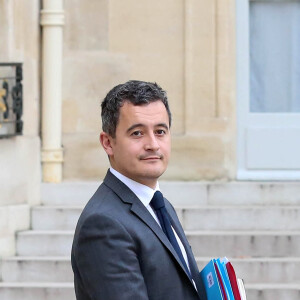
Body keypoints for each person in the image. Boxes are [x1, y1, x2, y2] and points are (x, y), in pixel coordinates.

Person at [71, 80, 207, 300]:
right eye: (137, 133)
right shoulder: (103, 224)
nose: (153, 144)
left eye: (161, 131)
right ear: (108, 143)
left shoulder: (158, 204)